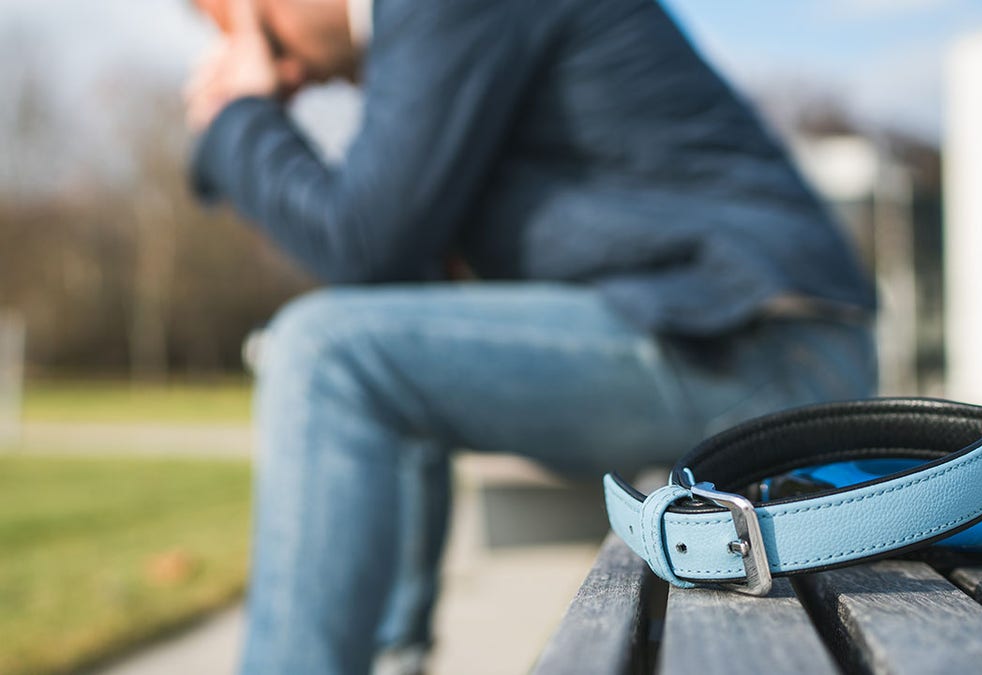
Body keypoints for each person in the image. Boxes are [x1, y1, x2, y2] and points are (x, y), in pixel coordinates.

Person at [185, 0, 877, 673]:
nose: (288, 80)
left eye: (267, 42)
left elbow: (359, 239)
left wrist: (238, 114)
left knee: (325, 351)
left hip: (764, 344)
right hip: (729, 332)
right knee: (372, 340)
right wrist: (238, 123)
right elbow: (392, 272)